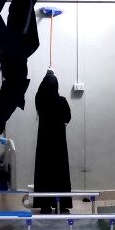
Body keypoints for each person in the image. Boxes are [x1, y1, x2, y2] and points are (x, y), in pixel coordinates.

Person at [33, 70, 72, 213]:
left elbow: (39, 93)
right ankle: (61, 205)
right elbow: (68, 118)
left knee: (44, 172)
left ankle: (45, 205)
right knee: (60, 172)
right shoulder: (61, 101)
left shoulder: (40, 100)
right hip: (59, 143)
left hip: (44, 142)